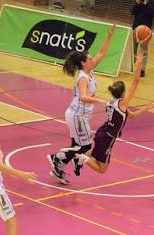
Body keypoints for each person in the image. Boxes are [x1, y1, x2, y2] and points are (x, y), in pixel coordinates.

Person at [47, 25, 116, 184]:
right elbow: (84, 97)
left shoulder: (89, 70)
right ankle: (56, 158)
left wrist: (109, 36)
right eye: (90, 59)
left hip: (79, 115)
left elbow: (101, 53)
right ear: (84, 63)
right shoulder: (83, 78)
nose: (93, 60)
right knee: (85, 147)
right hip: (77, 115)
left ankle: (59, 167)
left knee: (76, 144)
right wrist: (99, 100)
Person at [72, 50, 154, 173]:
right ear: (123, 93)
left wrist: (145, 108)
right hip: (108, 137)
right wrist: (139, 62)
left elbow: (132, 116)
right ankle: (80, 155)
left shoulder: (111, 102)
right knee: (102, 169)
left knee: (94, 153)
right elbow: (136, 81)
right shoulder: (122, 103)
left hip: (102, 132)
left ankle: (79, 153)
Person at [131, 0, 154, 77]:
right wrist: (137, 3)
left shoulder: (152, 3)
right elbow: (132, 12)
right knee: (132, 49)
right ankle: (131, 66)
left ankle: (142, 70)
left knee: (144, 51)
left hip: (145, 32)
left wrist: (146, 4)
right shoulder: (139, 3)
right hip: (136, 30)